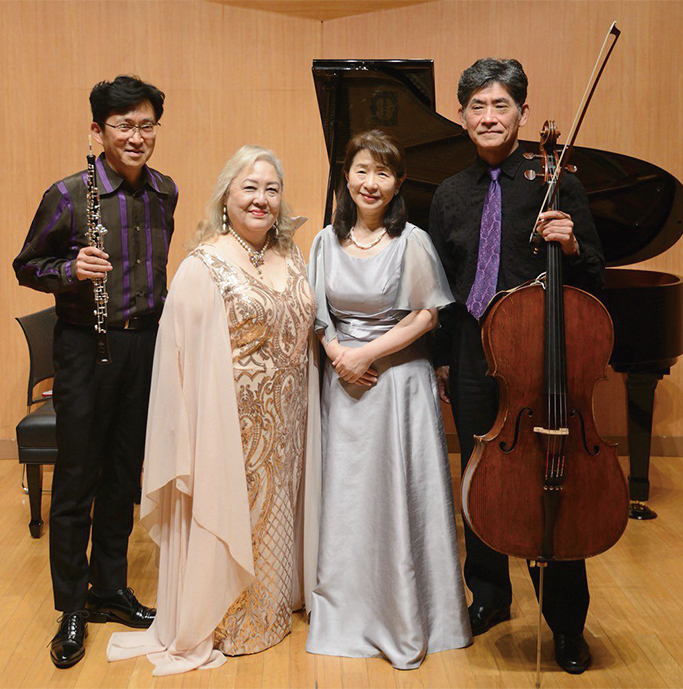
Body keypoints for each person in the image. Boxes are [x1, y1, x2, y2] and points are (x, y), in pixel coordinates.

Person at [106, 145, 321, 675]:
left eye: (271, 189)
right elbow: (177, 361)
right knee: (232, 514)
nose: (261, 199)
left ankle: (271, 608)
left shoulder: (293, 254)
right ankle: (224, 621)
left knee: (276, 515)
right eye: (249, 187)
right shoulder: (202, 265)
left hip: (288, 418)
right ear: (226, 196)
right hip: (227, 425)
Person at [428, 58, 605, 675]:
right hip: (472, 350)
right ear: (461, 116)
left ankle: (566, 622)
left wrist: (572, 244)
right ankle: (490, 595)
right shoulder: (449, 193)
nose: (488, 117)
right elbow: (440, 288)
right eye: (476, 106)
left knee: (554, 478)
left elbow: (594, 275)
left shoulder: (556, 182)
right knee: (483, 472)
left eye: (500, 105)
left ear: (523, 114)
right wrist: (442, 359)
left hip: (539, 357)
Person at [14, 75, 176, 669]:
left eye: (146, 125)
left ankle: (109, 588)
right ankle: (71, 606)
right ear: (98, 130)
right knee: (77, 479)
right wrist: (70, 270)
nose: (136, 136)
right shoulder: (68, 194)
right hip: (85, 347)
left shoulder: (164, 191)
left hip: (143, 346)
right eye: (123, 125)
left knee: (123, 475)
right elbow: (27, 265)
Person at [306, 130, 471, 670]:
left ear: (398, 183)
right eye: (361, 170)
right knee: (348, 496)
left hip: (397, 381)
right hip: (344, 381)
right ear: (346, 176)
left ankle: (407, 613)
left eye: (382, 173)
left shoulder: (412, 240)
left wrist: (366, 355)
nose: (370, 182)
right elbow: (317, 313)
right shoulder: (324, 242)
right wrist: (339, 355)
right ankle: (346, 611)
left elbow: (426, 315)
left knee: (399, 493)